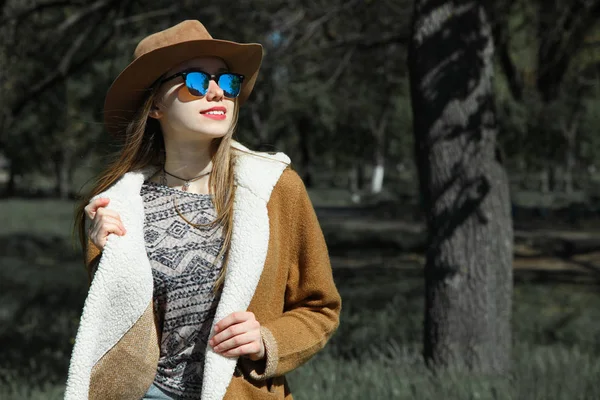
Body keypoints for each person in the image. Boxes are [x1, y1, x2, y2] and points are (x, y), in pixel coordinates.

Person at [64, 20, 341, 400]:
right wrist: (104, 253)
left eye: (227, 82)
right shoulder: (119, 203)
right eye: (196, 80)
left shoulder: (275, 189)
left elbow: (320, 307)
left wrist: (267, 341)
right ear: (156, 105)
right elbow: (115, 324)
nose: (217, 92)